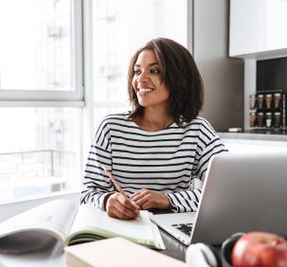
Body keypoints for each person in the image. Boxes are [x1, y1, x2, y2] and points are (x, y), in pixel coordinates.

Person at [80, 37, 228, 220]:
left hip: (174, 231)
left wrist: (168, 200)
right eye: (137, 71)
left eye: (154, 70)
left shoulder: (198, 131)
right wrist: (108, 200)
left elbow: (226, 192)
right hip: (121, 230)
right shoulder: (110, 128)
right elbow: (87, 195)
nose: (141, 79)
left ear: (178, 78)